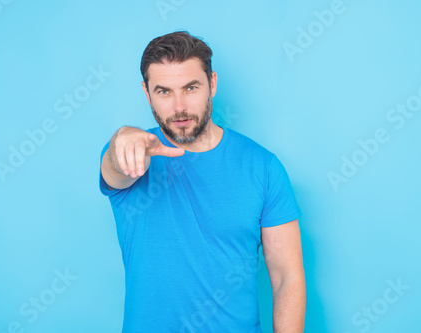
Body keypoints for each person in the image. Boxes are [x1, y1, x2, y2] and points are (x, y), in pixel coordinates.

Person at [99, 30, 305, 332]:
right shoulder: (132, 155)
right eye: (164, 91)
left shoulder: (263, 166)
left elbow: (287, 276)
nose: (179, 106)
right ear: (146, 93)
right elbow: (116, 166)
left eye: (191, 88)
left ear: (213, 84)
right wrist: (122, 140)